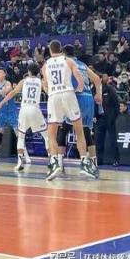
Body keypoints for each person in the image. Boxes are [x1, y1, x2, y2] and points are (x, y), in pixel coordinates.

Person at [41, 40, 96, 181]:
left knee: (51, 133)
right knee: (79, 130)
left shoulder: (45, 65)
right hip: (68, 95)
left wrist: (50, 92)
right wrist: (77, 90)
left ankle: (55, 163)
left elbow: (45, 85)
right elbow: (81, 81)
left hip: (54, 97)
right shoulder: (69, 61)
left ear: (50, 50)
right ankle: (84, 163)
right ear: (60, 49)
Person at [0, 63, 48, 171]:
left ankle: (19, 162)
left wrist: (0, 104)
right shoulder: (41, 82)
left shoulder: (23, 81)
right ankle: (52, 161)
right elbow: (49, 92)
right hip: (35, 109)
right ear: (38, 73)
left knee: (21, 137)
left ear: (29, 71)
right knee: (46, 136)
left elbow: (11, 93)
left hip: (23, 110)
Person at [57, 45, 102, 175]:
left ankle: (60, 164)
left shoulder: (66, 63)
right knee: (86, 132)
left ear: (63, 54)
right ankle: (94, 164)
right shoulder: (82, 64)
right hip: (89, 99)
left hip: (77, 98)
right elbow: (97, 79)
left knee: (63, 129)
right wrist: (98, 94)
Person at [0, 67, 28, 163]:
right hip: (2, 112)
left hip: (11, 111)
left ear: (4, 74)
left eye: (0, 73)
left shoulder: (7, 83)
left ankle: (26, 155)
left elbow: (8, 90)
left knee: (18, 134)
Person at [96, 73, 121, 166]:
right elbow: (94, 104)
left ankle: (116, 160)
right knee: (98, 141)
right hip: (100, 118)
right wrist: (94, 116)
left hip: (109, 118)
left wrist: (113, 117)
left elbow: (117, 104)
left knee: (112, 140)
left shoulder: (109, 88)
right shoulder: (94, 90)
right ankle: (99, 160)